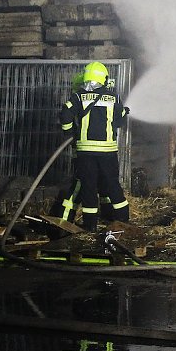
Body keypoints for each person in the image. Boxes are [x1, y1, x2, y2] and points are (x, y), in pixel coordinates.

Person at [59, 61, 130, 231]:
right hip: (107, 152)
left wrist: (71, 133)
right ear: (104, 79)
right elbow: (119, 122)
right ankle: (123, 221)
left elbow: (65, 116)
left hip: (85, 153)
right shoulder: (114, 97)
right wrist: (123, 112)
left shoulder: (77, 96)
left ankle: (90, 226)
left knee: (88, 187)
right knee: (112, 184)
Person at [49, 71, 112, 226]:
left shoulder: (82, 98)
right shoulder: (80, 99)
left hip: (89, 153)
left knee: (102, 185)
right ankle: (63, 223)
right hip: (84, 154)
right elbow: (66, 117)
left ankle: (108, 218)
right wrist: (70, 134)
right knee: (79, 186)